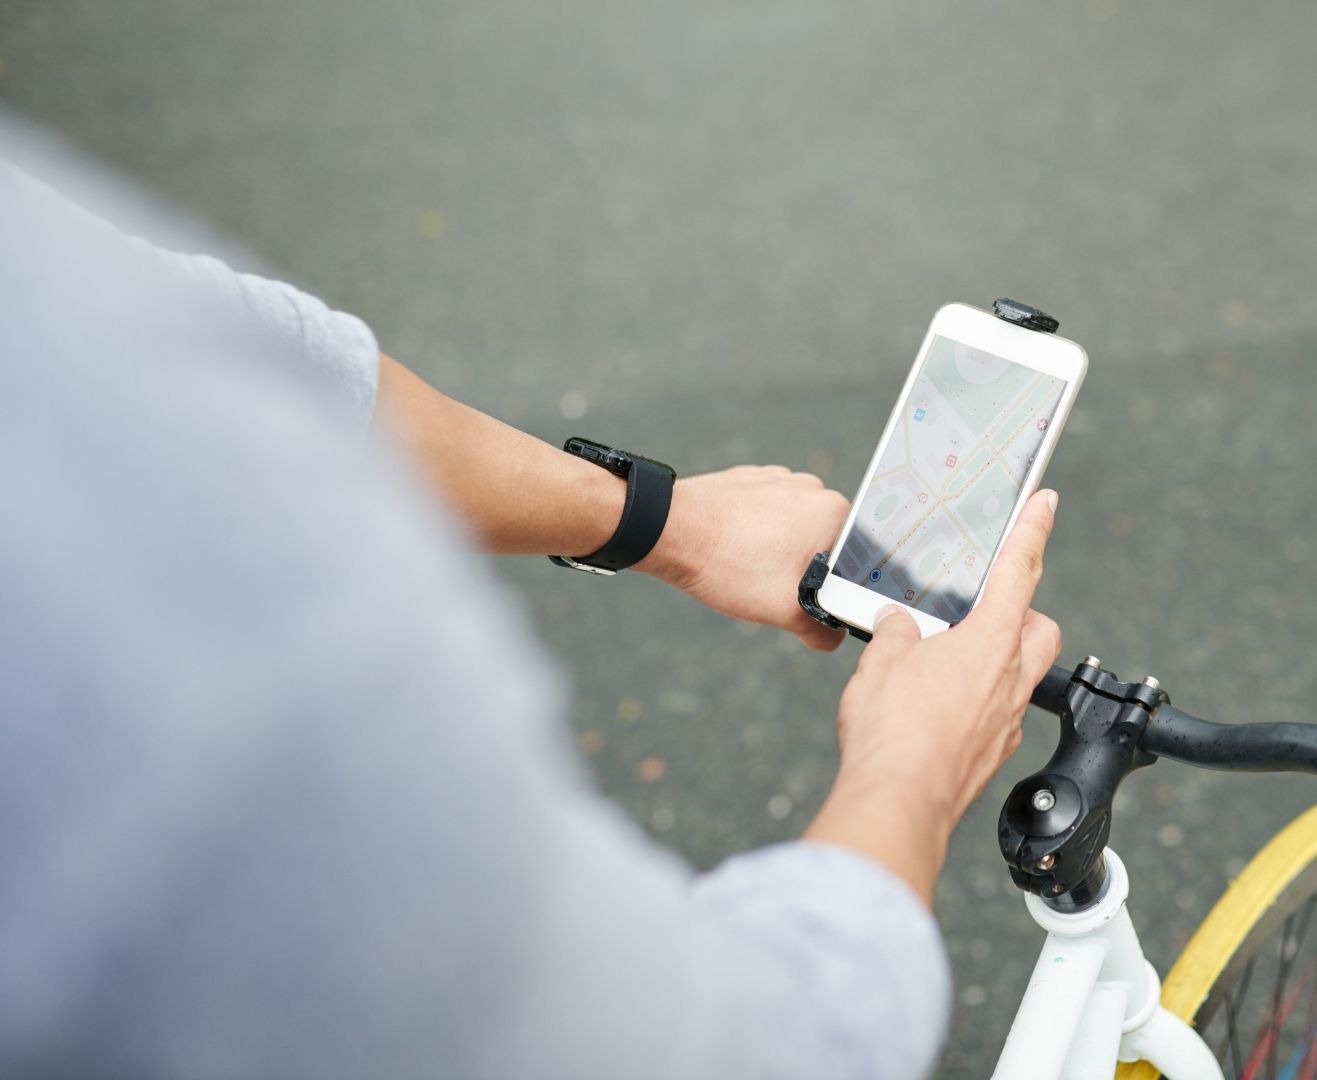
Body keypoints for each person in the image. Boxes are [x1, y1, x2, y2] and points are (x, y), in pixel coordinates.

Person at [0, 133, 1061, 1078]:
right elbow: (737, 1051)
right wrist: (915, 767)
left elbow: (255, 361)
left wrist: (671, 526)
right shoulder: (185, 713)